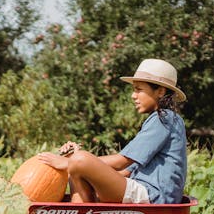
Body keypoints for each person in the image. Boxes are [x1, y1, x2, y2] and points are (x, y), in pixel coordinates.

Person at [37, 58, 187, 204]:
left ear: (160, 91)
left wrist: (71, 162)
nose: (133, 96)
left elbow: (121, 162)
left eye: (139, 90)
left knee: (80, 160)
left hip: (153, 194)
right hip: (145, 190)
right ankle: (81, 209)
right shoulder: (161, 120)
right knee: (79, 162)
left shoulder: (165, 119)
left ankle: (78, 167)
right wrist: (77, 162)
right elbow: (126, 171)